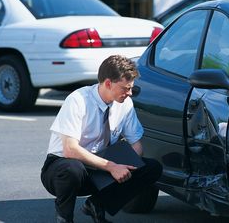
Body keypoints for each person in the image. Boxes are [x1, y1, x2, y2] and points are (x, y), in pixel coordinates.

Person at [40, 55, 163, 223]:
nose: (129, 93)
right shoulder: (78, 100)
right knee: (72, 169)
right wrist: (112, 167)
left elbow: (137, 145)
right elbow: (70, 149)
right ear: (107, 83)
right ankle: (64, 217)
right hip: (63, 166)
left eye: (131, 88)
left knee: (152, 167)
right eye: (125, 88)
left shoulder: (125, 103)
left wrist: (127, 167)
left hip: (101, 163)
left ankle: (97, 204)